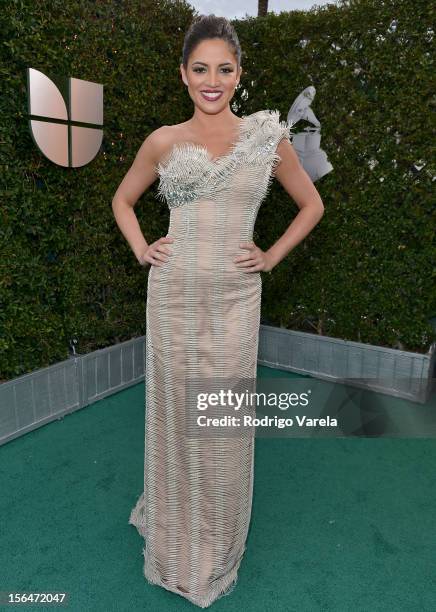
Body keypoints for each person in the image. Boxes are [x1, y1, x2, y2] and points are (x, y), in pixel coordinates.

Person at [111, 13, 324, 609]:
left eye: (224, 69)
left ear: (239, 74)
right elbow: (123, 200)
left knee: (221, 424)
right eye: (200, 69)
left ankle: (215, 546)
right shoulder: (162, 140)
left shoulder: (265, 136)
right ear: (183, 75)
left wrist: (271, 256)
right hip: (173, 297)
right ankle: (174, 535)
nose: (212, 80)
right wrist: (141, 249)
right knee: (177, 413)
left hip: (234, 300)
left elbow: (311, 205)